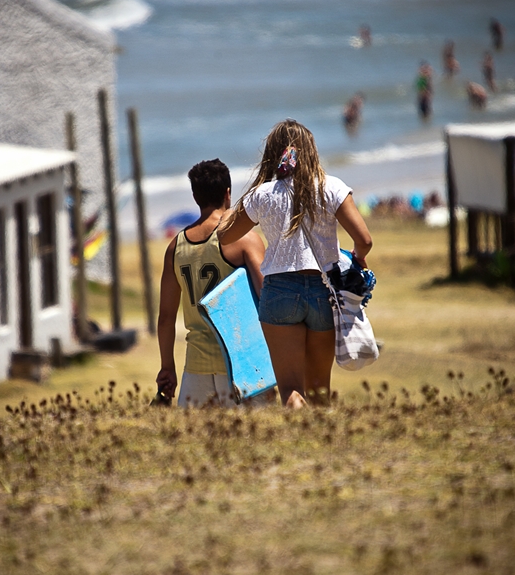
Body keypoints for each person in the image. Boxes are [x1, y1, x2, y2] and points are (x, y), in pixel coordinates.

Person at [219, 120, 372, 408]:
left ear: (273, 154)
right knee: (319, 390)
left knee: (291, 389)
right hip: (322, 290)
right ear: (311, 151)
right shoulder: (331, 187)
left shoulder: (263, 194)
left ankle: (296, 442)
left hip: (278, 291)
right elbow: (364, 239)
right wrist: (357, 258)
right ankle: (320, 446)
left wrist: (241, 200)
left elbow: (226, 237)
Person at [156, 158, 265, 408]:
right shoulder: (244, 239)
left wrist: (167, 368)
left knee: (197, 444)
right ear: (228, 193)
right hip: (242, 365)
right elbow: (268, 298)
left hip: (196, 369)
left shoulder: (175, 247)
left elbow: (165, 318)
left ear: (195, 196)